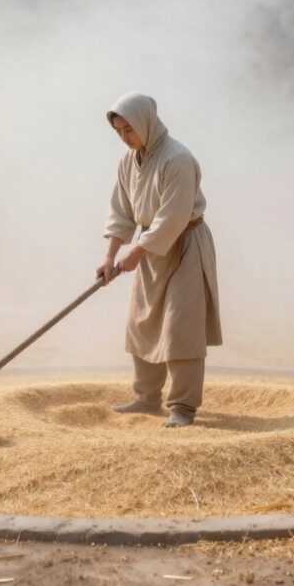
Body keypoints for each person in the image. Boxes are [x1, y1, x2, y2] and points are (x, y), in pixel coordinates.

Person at [95, 92, 222, 428]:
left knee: (181, 327)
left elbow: (172, 219)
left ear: (146, 123)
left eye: (129, 129)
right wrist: (110, 257)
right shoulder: (128, 162)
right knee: (142, 322)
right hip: (150, 248)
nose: (124, 137)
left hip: (185, 245)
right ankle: (146, 398)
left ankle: (182, 407)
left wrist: (136, 253)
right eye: (119, 131)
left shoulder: (178, 159)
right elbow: (121, 213)